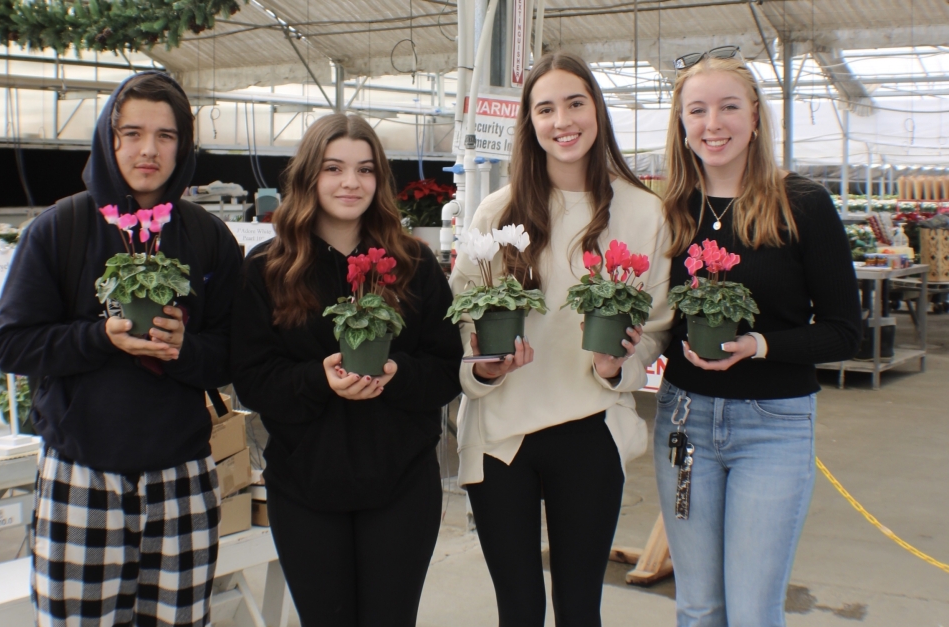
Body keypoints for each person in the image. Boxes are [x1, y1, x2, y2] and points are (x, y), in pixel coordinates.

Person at [0, 71, 242, 627]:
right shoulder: (61, 228)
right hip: (82, 475)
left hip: (181, 478)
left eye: (166, 135)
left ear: (185, 145)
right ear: (109, 139)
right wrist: (98, 337)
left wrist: (185, 349)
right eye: (131, 132)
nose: (148, 149)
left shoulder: (206, 237)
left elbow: (233, 355)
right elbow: (11, 345)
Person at [450, 52, 673, 626]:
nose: (562, 120)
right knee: (518, 611)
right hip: (502, 436)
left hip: (589, 432)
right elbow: (459, 321)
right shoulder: (498, 213)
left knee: (580, 609)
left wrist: (614, 367)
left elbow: (655, 327)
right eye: (545, 108)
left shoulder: (644, 212)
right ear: (530, 122)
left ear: (597, 110)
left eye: (575, 102)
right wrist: (480, 370)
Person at [655, 47, 862, 626]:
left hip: (773, 426)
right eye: (697, 110)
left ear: (755, 116)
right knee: (698, 607)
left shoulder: (803, 204)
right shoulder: (668, 209)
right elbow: (656, 322)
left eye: (727, 107)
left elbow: (846, 332)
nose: (712, 124)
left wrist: (761, 345)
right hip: (684, 422)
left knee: (751, 612)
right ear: (681, 122)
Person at [230, 113, 463, 627]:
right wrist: (319, 379)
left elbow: (448, 370)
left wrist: (396, 373)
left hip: (401, 484)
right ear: (309, 176)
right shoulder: (266, 268)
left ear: (380, 179)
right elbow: (251, 378)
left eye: (364, 169)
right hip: (305, 485)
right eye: (334, 168)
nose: (350, 183)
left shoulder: (414, 264)